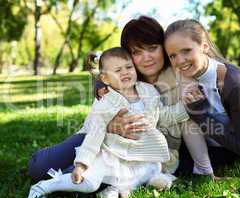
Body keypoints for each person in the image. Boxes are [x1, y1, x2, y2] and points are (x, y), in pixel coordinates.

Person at [28, 16, 214, 182]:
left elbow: (179, 118)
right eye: (137, 52)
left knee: (87, 177)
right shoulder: (120, 80)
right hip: (96, 137)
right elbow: (96, 119)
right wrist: (110, 125)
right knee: (39, 168)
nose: (146, 58)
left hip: (137, 153)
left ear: (163, 48)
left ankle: (70, 178)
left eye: (152, 48)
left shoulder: (179, 77)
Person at [27, 47, 178, 198]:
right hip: (109, 151)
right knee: (89, 182)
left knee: (152, 166)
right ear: (105, 79)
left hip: (138, 155)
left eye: (129, 67)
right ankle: (44, 187)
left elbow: (164, 115)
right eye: (118, 70)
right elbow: (94, 134)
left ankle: (118, 189)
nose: (125, 72)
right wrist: (81, 164)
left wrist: (187, 108)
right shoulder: (107, 100)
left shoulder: (149, 91)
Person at [164, 19, 240, 164]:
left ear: (204, 47)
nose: (180, 61)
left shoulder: (231, 80)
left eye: (186, 51)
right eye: (173, 55)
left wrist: (199, 113)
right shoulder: (178, 76)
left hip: (229, 148)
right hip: (200, 145)